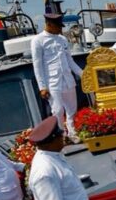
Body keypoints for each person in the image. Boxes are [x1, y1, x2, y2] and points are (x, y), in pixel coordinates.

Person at [31, 13, 84, 141]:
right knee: (58, 111)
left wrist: (83, 74)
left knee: (72, 110)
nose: (60, 29)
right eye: (58, 26)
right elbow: (37, 66)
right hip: (52, 82)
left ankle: (72, 133)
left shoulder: (62, 39)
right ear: (49, 24)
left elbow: (69, 60)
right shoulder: (38, 40)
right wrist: (42, 87)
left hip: (67, 80)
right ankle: (62, 135)